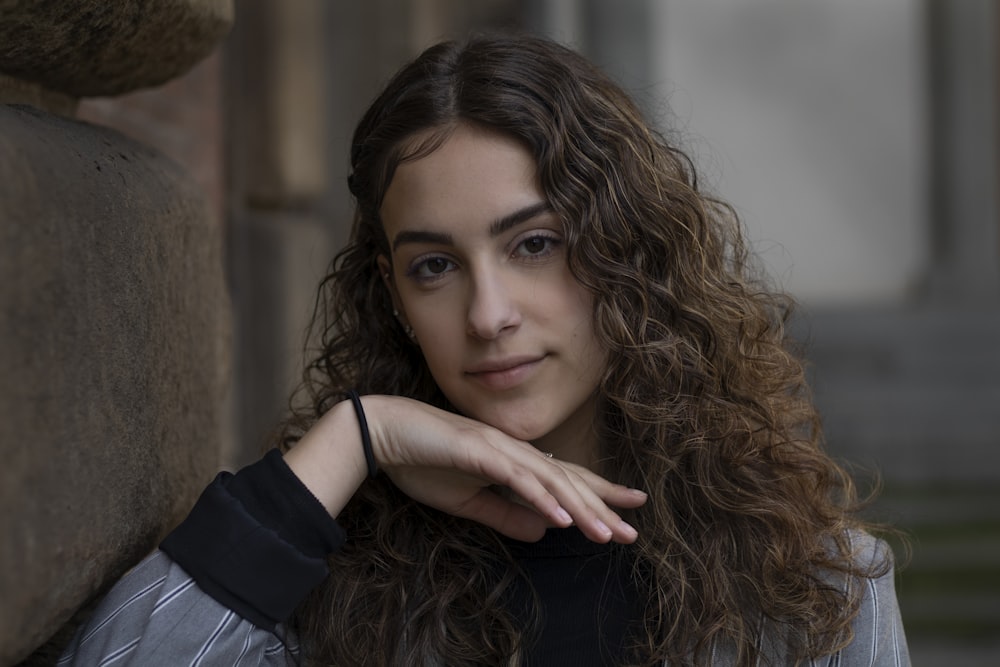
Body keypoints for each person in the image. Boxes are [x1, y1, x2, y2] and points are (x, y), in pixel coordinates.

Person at [58, 33, 909, 666]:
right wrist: (359, 436)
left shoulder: (819, 587)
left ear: (623, 248)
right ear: (394, 297)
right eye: (435, 266)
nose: (488, 313)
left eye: (533, 244)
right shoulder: (328, 586)